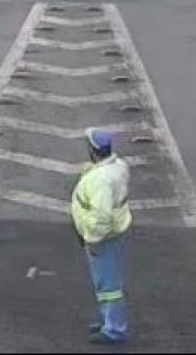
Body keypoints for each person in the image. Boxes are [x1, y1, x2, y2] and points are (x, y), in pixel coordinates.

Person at [70, 128, 132, 346]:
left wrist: (93, 239)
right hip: (112, 235)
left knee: (109, 287)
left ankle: (114, 329)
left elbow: (101, 216)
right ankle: (109, 320)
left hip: (102, 239)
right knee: (106, 282)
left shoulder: (100, 180)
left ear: (92, 149)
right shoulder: (118, 166)